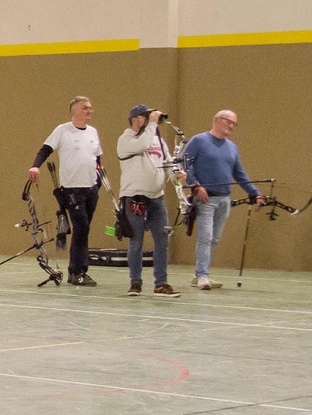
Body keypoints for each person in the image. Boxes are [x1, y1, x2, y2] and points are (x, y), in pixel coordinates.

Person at [183, 109, 265, 290]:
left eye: (234, 124)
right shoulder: (199, 141)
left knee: (215, 238)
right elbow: (184, 165)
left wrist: (255, 193)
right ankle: (203, 275)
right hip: (205, 199)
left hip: (224, 200)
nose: (231, 126)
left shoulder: (232, 147)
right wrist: (195, 186)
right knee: (206, 237)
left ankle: (200, 274)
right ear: (217, 120)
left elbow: (240, 174)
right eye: (229, 122)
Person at [28, 96, 104, 287]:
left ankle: (76, 271)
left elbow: (97, 158)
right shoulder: (62, 130)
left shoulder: (93, 132)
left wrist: (99, 179)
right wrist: (35, 166)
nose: (89, 111)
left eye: (90, 108)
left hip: (91, 188)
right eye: (85, 108)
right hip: (72, 188)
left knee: (84, 229)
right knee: (81, 227)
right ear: (74, 111)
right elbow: (45, 150)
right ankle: (78, 271)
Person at [116, 106, 180, 298]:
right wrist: (152, 123)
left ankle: (161, 283)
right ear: (135, 119)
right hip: (134, 196)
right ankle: (135, 281)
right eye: (145, 116)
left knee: (162, 239)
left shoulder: (157, 139)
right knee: (136, 241)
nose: (150, 119)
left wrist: (177, 174)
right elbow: (142, 145)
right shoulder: (126, 139)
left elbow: (168, 163)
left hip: (156, 197)